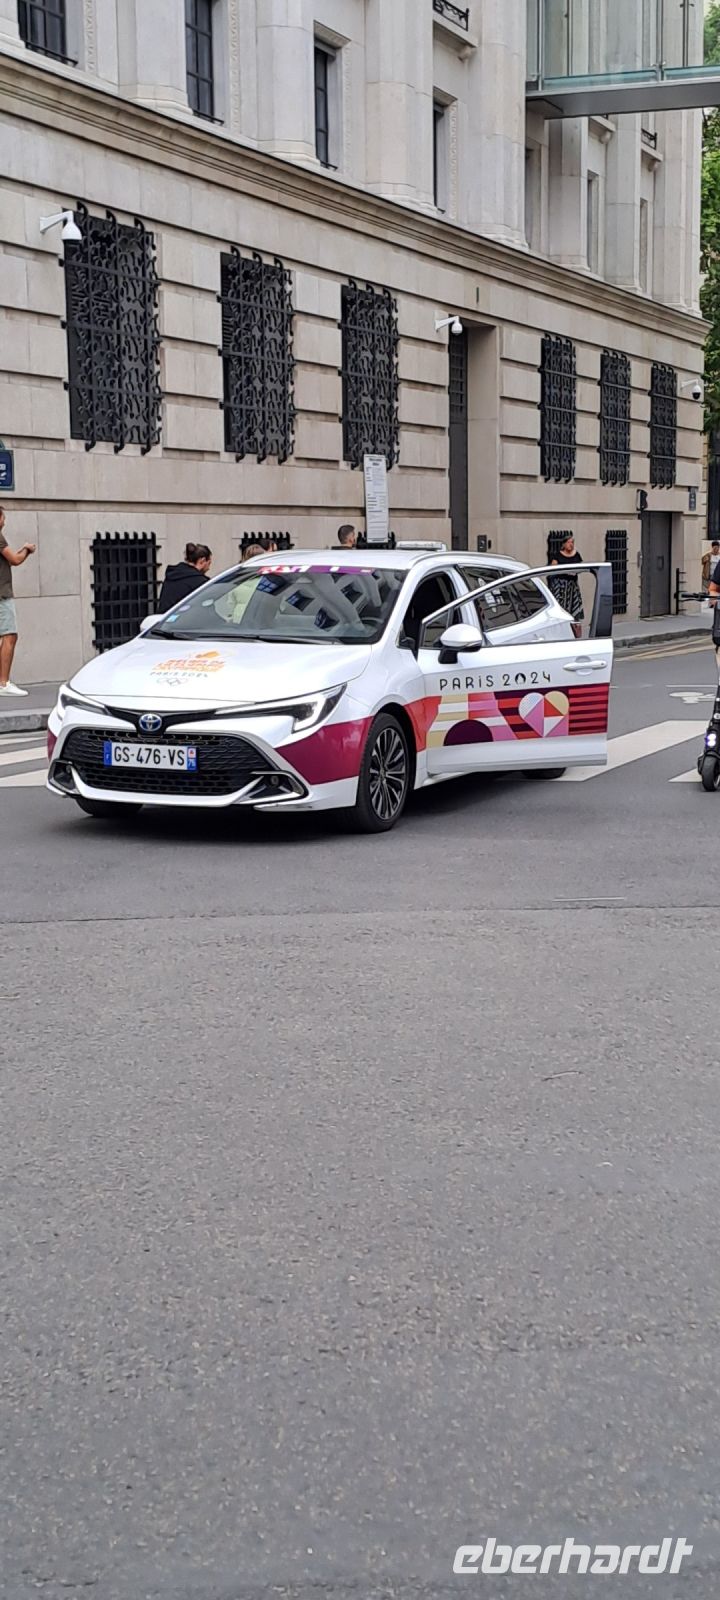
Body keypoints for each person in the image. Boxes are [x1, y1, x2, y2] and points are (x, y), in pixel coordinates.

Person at [0, 508, 36, 696]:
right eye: (3, 517)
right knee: (10, 636)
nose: (5, 521)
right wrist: (27, 550)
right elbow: (14, 559)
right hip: (2, 595)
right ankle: (3, 683)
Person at [549, 532, 584, 640]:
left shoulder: (576, 554)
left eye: (572, 542)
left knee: (573, 609)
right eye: (569, 542)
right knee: (561, 608)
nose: (571, 544)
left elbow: (580, 567)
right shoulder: (558, 555)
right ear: (563, 544)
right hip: (560, 586)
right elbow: (552, 569)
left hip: (572, 586)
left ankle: (573, 631)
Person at [158, 542, 212, 610]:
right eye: (209, 563)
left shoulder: (172, 576)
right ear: (202, 561)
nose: (209, 568)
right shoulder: (201, 582)